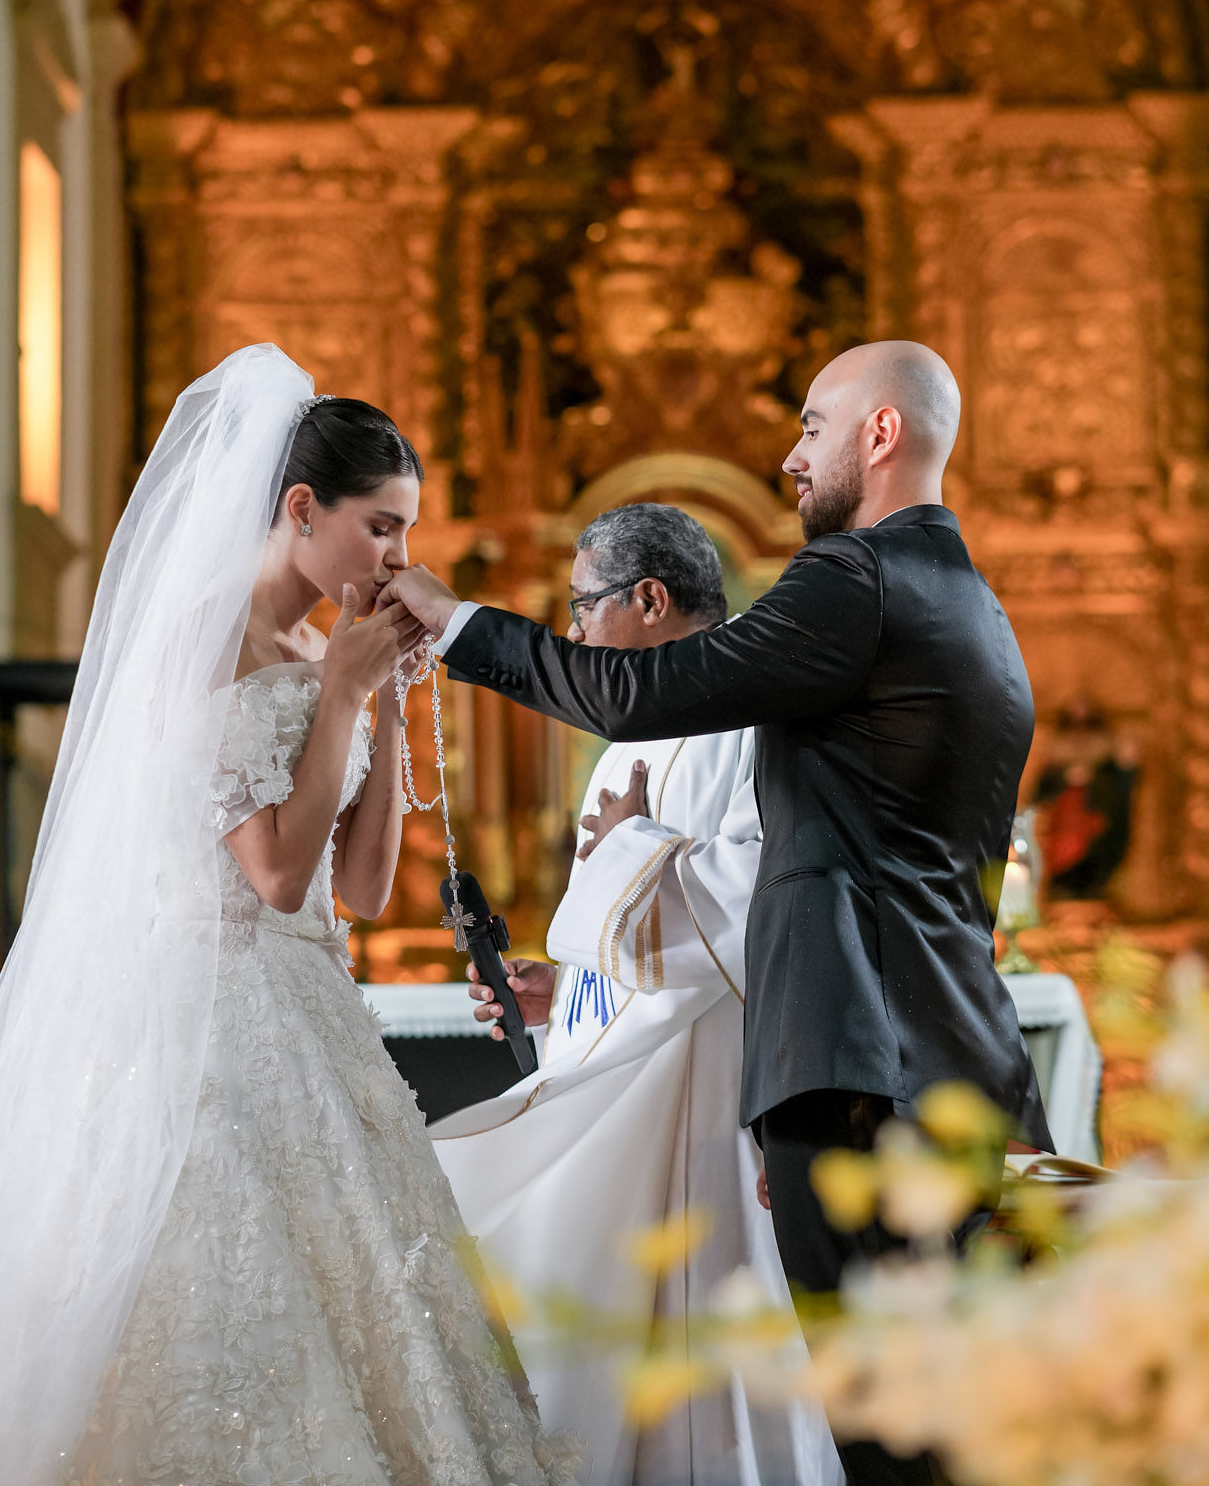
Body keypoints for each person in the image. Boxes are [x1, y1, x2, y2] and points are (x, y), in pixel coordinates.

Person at [0, 347, 577, 1486]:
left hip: (316, 1005)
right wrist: (346, 691)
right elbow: (277, 878)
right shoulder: (199, 642)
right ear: (302, 508)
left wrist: (386, 705)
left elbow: (356, 892)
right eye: (381, 526)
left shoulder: (320, 648)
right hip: (208, 1019)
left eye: (406, 531)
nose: (400, 556)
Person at [381, 340, 1053, 1486]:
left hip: (855, 1072)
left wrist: (453, 621)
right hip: (943, 1050)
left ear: (879, 433)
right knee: (929, 1418)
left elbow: (636, 692)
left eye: (809, 425)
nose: (791, 457)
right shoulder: (972, 602)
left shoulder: (858, 579)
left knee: (882, 1424)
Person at [433, 503, 839, 1486]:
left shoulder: (749, 713)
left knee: (690, 1345)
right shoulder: (639, 727)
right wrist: (560, 986)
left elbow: (763, 897)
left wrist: (628, 848)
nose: (573, 633)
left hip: (700, 1087)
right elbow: (630, 930)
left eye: (583, 606)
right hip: (628, 1066)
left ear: (649, 599)